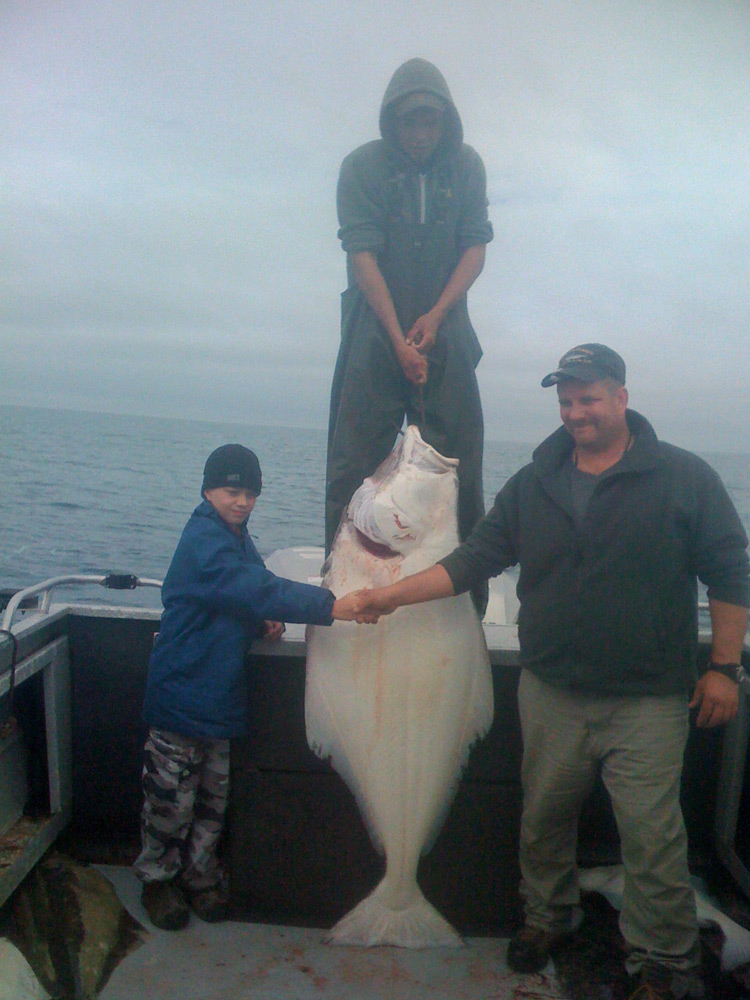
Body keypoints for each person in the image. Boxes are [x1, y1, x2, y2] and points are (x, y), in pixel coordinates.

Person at [350, 344, 750, 1000]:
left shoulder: (684, 476)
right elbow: (474, 559)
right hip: (551, 690)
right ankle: (547, 917)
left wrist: (725, 668)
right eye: (566, 400)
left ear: (622, 396)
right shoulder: (535, 481)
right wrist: (386, 595)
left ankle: (664, 957)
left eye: (589, 398)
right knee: (543, 818)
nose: (576, 412)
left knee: (652, 834)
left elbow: (729, 569)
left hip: (647, 697)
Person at [134, 443, 369, 930]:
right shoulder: (203, 538)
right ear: (207, 490)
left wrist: (260, 621)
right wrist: (331, 606)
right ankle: (158, 882)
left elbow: (251, 586)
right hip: (181, 696)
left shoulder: (236, 536)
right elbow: (247, 586)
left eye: (251, 493)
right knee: (168, 799)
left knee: (212, 800)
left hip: (217, 702)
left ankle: (200, 879)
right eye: (231, 490)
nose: (242, 501)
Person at [325, 58, 493, 597]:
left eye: (431, 121)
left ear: (447, 122)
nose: (420, 133)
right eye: (409, 121)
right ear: (391, 121)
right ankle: (342, 591)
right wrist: (397, 339)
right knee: (353, 462)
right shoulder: (361, 167)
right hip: (374, 330)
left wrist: (438, 315)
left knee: (460, 465)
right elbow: (362, 255)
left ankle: (465, 598)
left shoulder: (466, 166)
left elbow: (475, 247)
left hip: (447, 324)